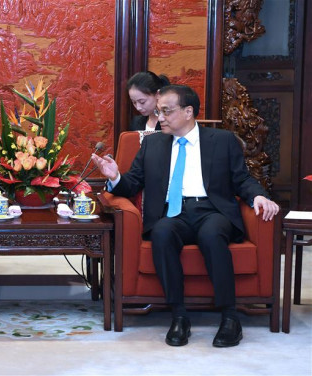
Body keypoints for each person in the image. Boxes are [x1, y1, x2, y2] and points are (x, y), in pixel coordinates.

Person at [91, 84, 279, 347]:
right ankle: (179, 316)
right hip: (172, 213)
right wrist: (115, 176)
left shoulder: (222, 140)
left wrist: (258, 195)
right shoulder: (152, 143)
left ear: (189, 111)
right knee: (162, 232)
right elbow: (132, 184)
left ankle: (230, 317)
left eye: (166, 111)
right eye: (158, 112)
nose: (161, 118)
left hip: (211, 210)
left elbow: (242, 179)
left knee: (212, 235)